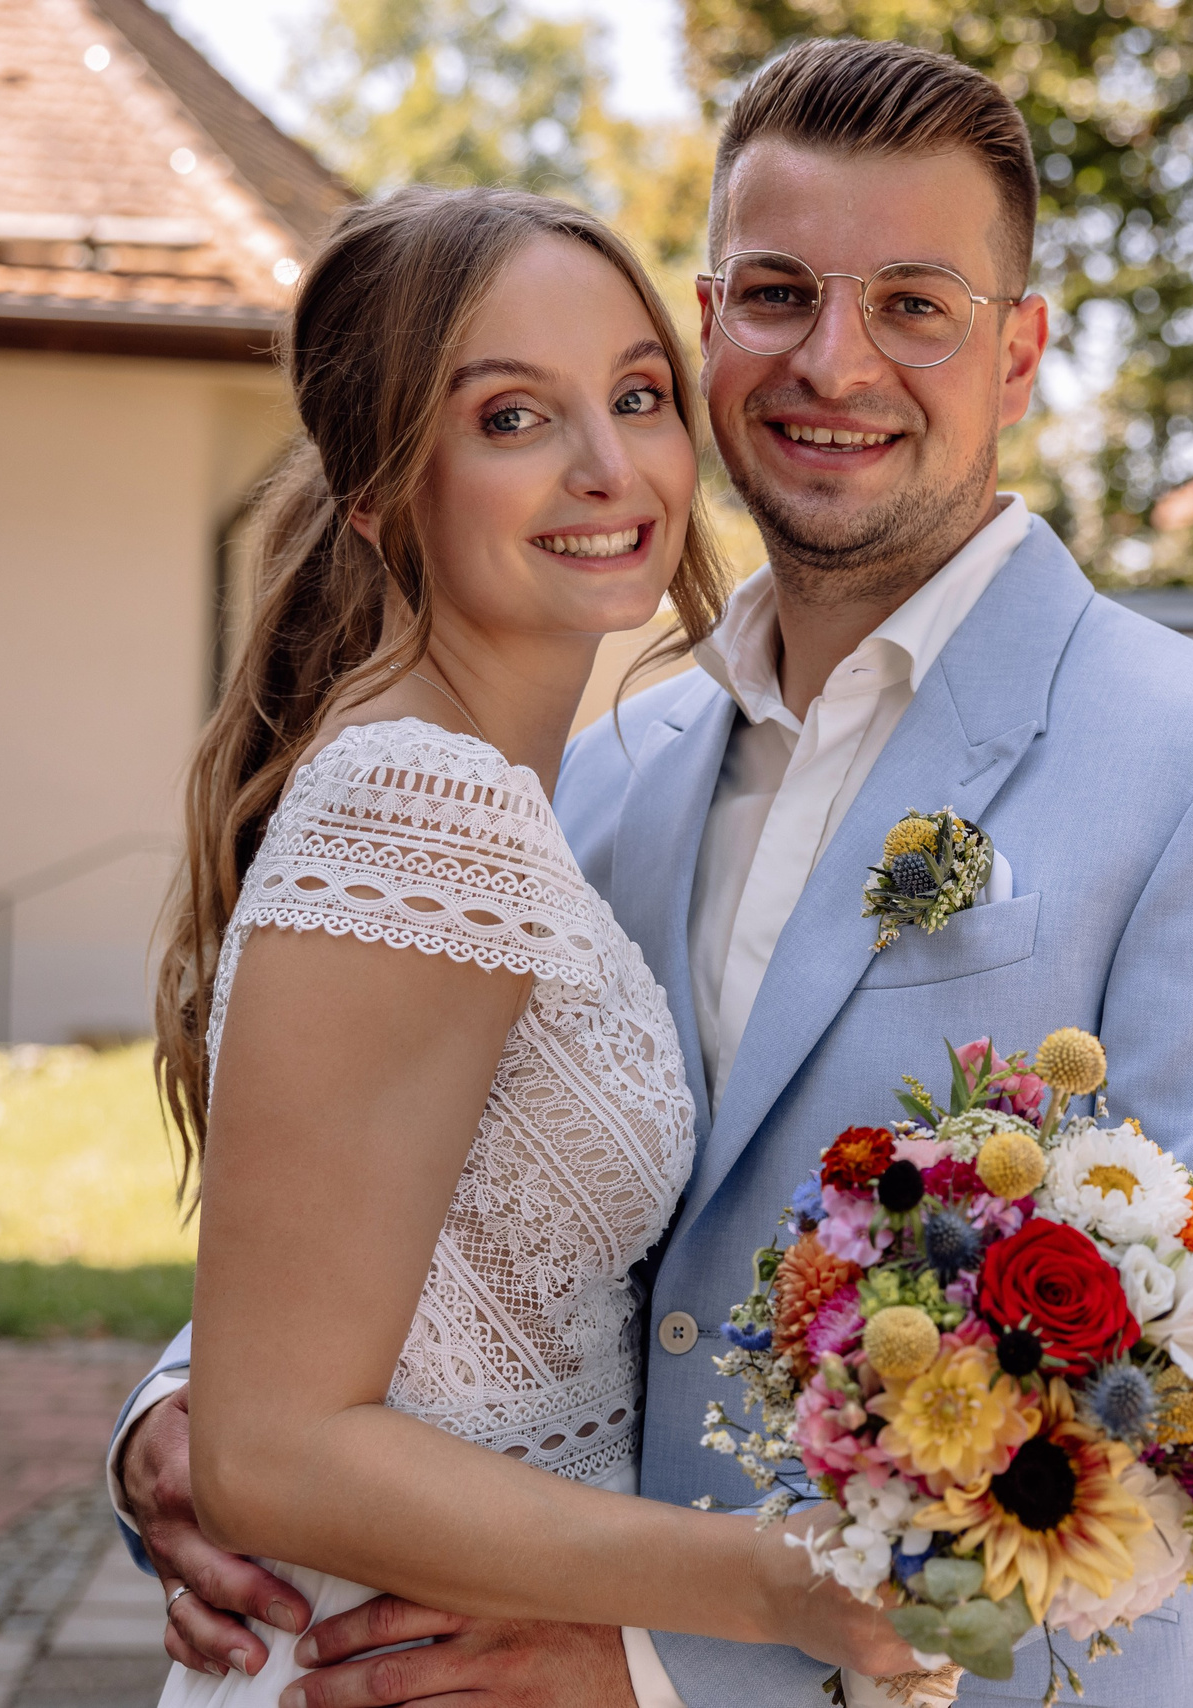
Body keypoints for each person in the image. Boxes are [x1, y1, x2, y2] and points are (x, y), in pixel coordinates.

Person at [115, 38, 1193, 1708]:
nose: (833, 362)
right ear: (710, 330)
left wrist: (670, 1669)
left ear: (1022, 355)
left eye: (915, 304)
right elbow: (422, 1181)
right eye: (779, 293)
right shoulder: (600, 771)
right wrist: (182, 1417)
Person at [129, 183, 916, 1708]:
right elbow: (271, 1446)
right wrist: (781, 1586)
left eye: (635, 396)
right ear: (379, 489)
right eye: (512, 419)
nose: (609, 467)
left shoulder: (525, 786)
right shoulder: (420, 804)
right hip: (391, 1663)